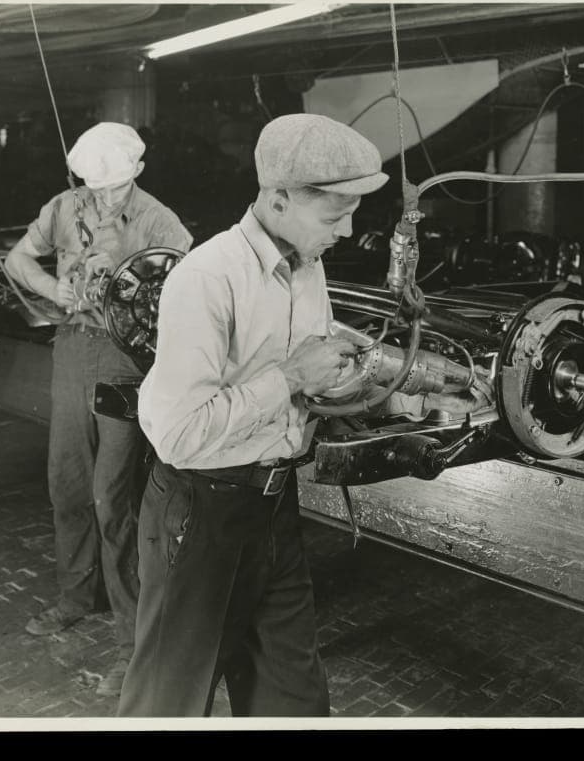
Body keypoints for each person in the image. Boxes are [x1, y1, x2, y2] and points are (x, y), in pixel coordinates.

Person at [118, 113, 389, 717]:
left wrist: (383, 389)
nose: (348, 230)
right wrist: (292, 377)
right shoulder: (207, 278)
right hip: (201, 512)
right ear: (278, 198)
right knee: (169, 705)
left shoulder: (308, 266)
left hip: (274, 508)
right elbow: (180, 435)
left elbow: (311, 376)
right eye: (335, 214)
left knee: (293, 701)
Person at [4, 122, 193, 697]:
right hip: (71, 351)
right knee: (67, 483)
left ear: (135, 173)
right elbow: (17, 259)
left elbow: (193, 291)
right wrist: (49, 287)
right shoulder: (65, 206)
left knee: (113, 499)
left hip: (126, 362)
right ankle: (73, 598)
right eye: (92, 186)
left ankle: (130, 638)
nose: (101, 196)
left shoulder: (160, 221)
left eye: (111, 187)